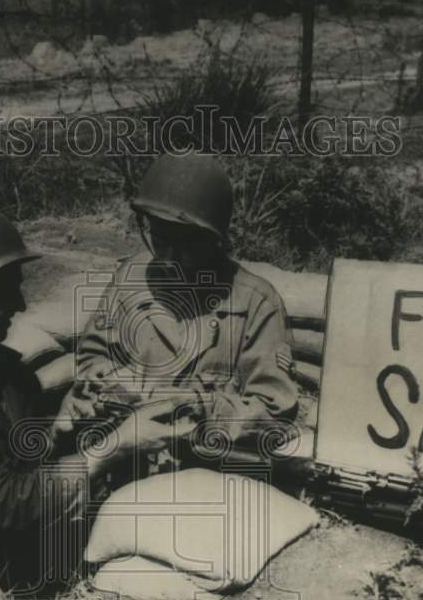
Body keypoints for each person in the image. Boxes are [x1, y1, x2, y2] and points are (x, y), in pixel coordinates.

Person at [0, 203, 194, 594]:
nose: (21, 304)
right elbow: (0, 504)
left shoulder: (1, 369)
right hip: (1, 571)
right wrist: (112, 449)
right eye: (9, 288)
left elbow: (14, 461)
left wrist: (56, 430)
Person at [61, 151, 300, 467]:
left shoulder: (255, 303)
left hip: (204, 471)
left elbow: (274, 413)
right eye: (160, 240)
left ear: (214, 239)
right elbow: (94, 354)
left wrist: (192, 407)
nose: (168, 259)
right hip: (123, 458)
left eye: (186, 244)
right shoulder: (130, 278)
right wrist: (102, 379)